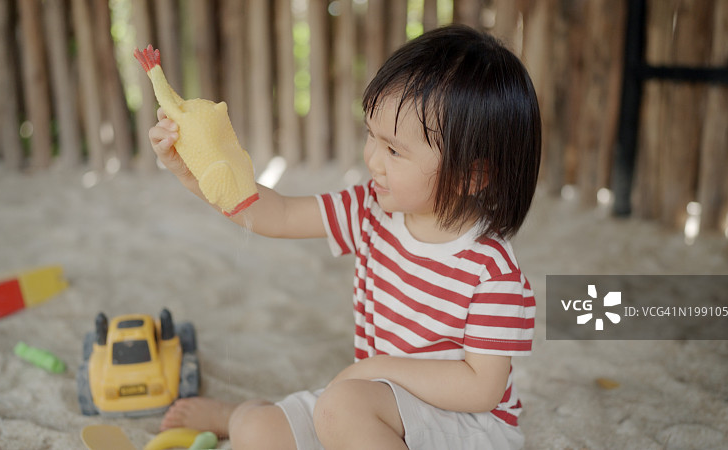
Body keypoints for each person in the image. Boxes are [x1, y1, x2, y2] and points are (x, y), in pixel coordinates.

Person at [150, 24, 540, 450]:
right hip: (370, 402)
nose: (372, 159)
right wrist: (195, 176)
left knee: (341, 406)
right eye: (371, 135)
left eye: (394, 150)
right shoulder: (369, 208)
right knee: (261, 434)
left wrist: (371, 370)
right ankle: (239, 414)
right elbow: (277, 214)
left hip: (465, 426)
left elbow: (480, 389)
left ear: (472, 175)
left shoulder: (491, 271)